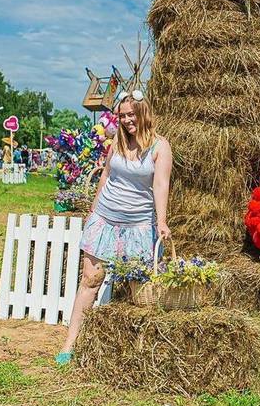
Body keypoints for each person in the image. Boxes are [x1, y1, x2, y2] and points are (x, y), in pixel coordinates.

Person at [56, 90, 173, 366]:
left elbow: (160, 185)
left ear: (143, 112)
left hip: (139, 225)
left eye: (131, 114)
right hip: (106, 220)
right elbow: (106, 176)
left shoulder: (159, 147)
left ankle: (139, 353)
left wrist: (162, 220)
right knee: (90, 281)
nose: (127, 120)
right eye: (122, 116)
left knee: (139, 288)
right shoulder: (117, 144)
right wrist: (94, 212)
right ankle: (70, 343)